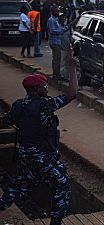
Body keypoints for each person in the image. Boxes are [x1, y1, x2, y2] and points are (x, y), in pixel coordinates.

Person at [0, 55, 79, 225]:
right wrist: (73, 67)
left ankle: (1, 205)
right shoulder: (45, 105)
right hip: (44, 158)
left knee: (19, 186)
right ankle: (56, 222)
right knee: (61, 186)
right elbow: (72, 94)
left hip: (24, 156)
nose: (46, 88)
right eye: (44, 86)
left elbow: (5, 122)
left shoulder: (18, 105)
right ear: (36, 89)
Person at [48, 7, 64, 80]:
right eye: (56, 11)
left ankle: (57, 73)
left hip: (57, 41)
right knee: (56, 58)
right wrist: (61, 30)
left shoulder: (56, 20)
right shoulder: (51, 20)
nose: (58, 12)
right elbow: (52, 31)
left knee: (57, 58)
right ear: (53, 12)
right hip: (54, 41)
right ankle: (56, 74)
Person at [59, 13, 73, 81]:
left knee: (67, 63)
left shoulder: (67, 28)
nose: (63, 19)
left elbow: (70, 37)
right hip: (61, 48)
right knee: (62, 63)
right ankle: (62, 76)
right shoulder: (59, 27)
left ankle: (66, 76)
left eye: (64, 17)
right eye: (62, 18)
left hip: (67, 47)